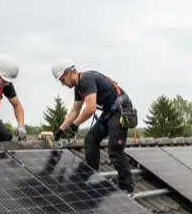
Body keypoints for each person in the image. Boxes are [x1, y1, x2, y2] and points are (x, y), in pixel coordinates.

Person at [51, 58, 138, 194]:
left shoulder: (87, 80)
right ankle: (91, 175)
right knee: (90, 139)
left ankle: (127, 187)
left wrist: (74, 126)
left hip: (120, 110)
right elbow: (75, 111)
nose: (63, 84)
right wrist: (60, 130)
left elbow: (91, 108)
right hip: (110, 112)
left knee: (114, 149)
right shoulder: (79, 88)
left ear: (68, 73)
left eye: (62, 80)